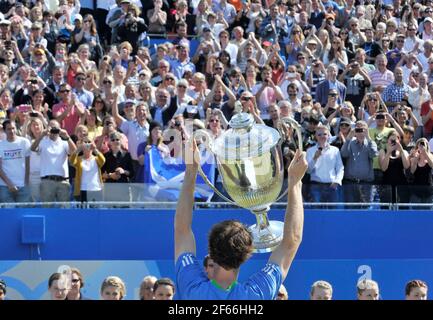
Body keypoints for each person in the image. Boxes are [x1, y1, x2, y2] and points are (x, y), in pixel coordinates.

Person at [174, 137, 308, 299]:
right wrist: (295, 181)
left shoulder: (192, 289)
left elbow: (182, 230)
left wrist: (191, 170)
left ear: (211, 252)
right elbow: (292, 240)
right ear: (247, 254)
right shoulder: (256, 294)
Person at [30, 120, 77, 203]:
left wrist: (67, 136)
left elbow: (75, 152)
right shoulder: (43, 142)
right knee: (47, 209)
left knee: (64, 209)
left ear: (60, 129)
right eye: (51, 127)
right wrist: (42, 135)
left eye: (56, 128)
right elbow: (33, 148)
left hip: (63, 181)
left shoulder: (64, 142)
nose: (53, 130)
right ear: (47, 128)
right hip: (47, 181)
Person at [340, 121, 378, 204]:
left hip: (366, 184)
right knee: (350, 209)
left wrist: (368, 137)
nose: (361, 132)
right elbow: (344, 154)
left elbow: (373, 154)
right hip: (350, 183)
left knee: (367, 209)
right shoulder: (350, 143)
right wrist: (348, 138)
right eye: (358, 130)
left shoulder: (371, 142)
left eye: (363, 129)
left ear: (367, 130)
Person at [306, 125, 344, 203]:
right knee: (316, 212)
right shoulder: (310, 151)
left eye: (324, 134)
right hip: (315, 186)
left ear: (328, 135)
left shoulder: (335, 150)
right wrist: (315, 158)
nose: (322, 136)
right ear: (316, 136)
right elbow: (308, 171)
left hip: (332, 186)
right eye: (319, 134)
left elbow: (340, 168)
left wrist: (337, 181)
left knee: (333, 212)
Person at [0, 120, 31, 203]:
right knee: (9, 213)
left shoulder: (24, 142)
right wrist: (9, 184)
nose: (12, 131)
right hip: (5, 186)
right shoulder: (1, 145)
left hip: (23, 185)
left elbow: (27, 164)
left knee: (22, 213)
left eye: (13, 128)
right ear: (4, 130)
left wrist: (26, 182)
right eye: (9, 129)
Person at [69, 138, 105, 203]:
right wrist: (78, 149)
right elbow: (71, 161)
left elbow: (103, 160)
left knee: (96, 212)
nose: (87, 144)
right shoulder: (79, 159)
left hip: (95, 189)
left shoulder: (96, 159)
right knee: (83, 211)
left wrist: (95, 149)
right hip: (82, 189)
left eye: (89, 142)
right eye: (85, 142)